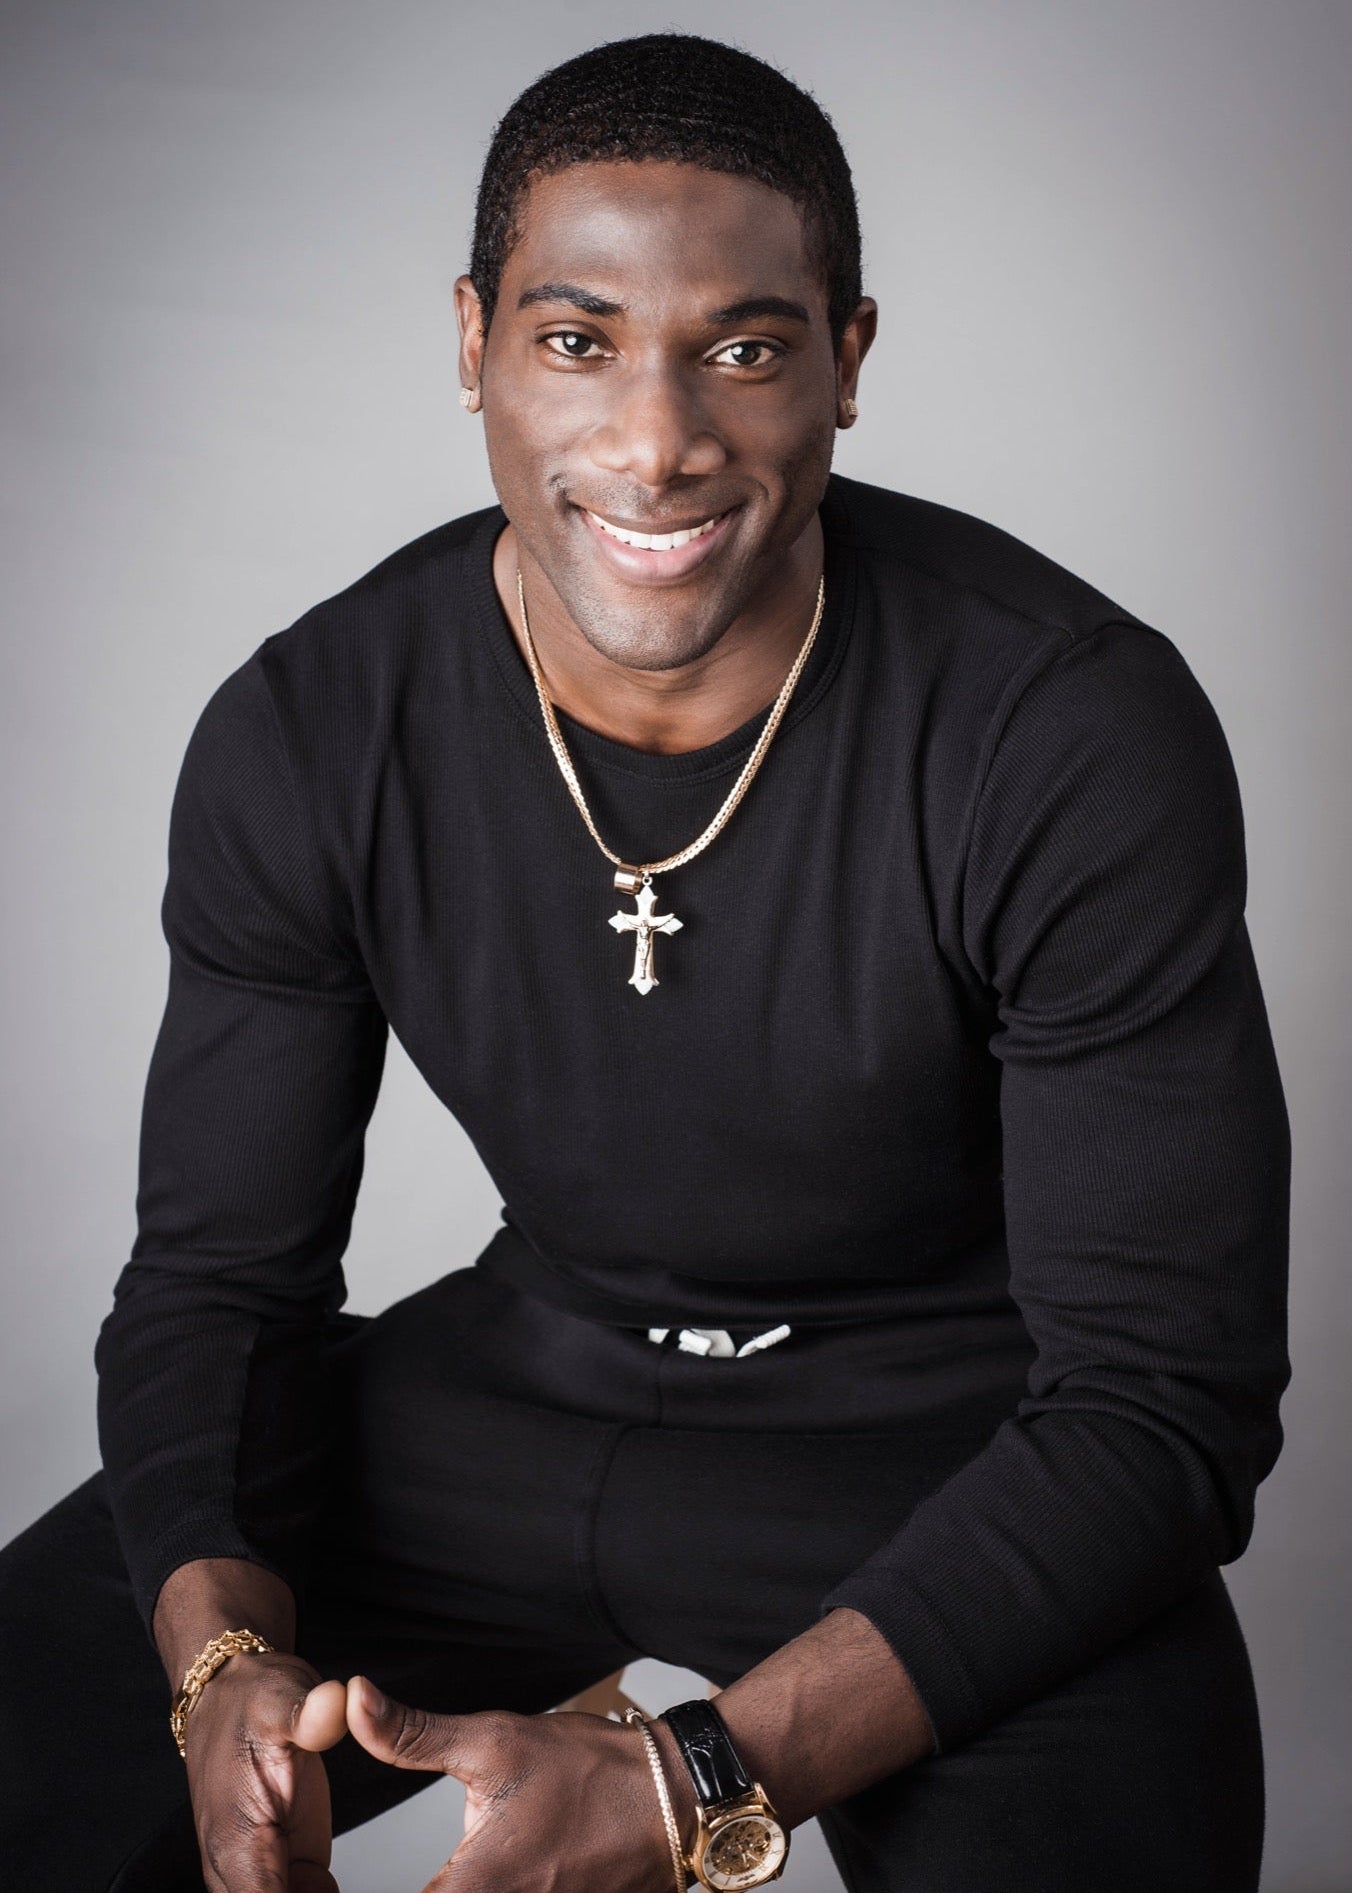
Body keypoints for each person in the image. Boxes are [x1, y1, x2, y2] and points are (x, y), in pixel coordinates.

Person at [0, 31, 1290, 1893]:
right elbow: (216, 1280)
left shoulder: (1065, 724)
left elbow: (1164, 1402)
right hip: (523, 1386)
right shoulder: (310, 724)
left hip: (957, 1432)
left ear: (849, 360)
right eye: (577, 339)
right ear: (473, 344)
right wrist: (216, 1660)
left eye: (747, 348)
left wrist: (692, 1779)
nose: (657, 437)